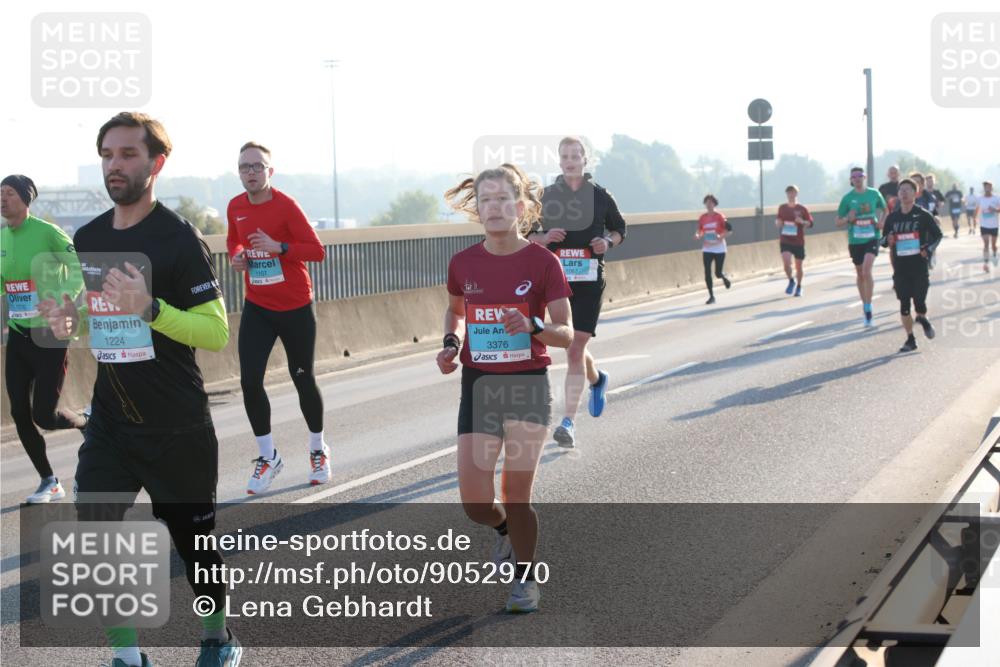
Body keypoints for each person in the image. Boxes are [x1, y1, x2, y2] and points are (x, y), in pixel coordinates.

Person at [39, 112, 240, 667]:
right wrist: (68, 320)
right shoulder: (90, 236)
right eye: (107, 154)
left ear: (157, 162)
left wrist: (151, 308)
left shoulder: (178, 239)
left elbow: (216, 331)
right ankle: (128, 658)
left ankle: (218, 636)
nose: (115, 165)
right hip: (111, 423)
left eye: (128, 154)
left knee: (195, 549)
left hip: (176, 425)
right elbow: (96, 310)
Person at [440, 163, 573, 613]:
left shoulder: (543, 262)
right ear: (476, 208)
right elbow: (456, 311)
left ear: (519, 206)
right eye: (485, 200)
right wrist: (450, 343)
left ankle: (525, 580)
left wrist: (534, 325)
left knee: (517, 494)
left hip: (527, 385)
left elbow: (566, 333)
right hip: (478, 385)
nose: (493, 207)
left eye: (502, 199)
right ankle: (502, 535)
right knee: (476, 503)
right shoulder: (463, 263)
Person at [226, 142, 329, 494]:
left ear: (270, 171)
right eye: (244, 167)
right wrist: (238, 256)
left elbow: (317, 251)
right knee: (250, 381)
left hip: (296, 306)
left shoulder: (286, 206)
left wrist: (281, 247)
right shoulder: (235, 206)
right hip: (258, 305)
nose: (250, 172)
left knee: (302, 377)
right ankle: (268, 457)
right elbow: (233, 243)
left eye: (257, 166)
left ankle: (318, 449)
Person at [527, 137, 626, 448]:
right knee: (573, 348)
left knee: (573, 349)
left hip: (589, 282)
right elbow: (526, 232)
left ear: (586, 160)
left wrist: (607, 243)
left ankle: (567, 422)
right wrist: (543, 238)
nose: (570, 160)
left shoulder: (600, 196)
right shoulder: (546, 196)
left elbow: (620, 229)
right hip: (555, 282)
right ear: (559, 162)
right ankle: (598, 379)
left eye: (575, 155)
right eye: (564, 156)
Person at [1, 174, 87, 504]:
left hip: (50, 334)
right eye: (0, 193)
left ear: (26, 198)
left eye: (9, 193)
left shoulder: (48, 232)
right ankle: (49, 480)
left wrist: (64, 298)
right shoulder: (2, 237)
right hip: (20, 335)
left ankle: (86, 422)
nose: (2, 198)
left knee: (44, 416)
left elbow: (78, 267)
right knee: (20, 412)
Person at [881, 178, 942, 353]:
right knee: (904, 305)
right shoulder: (893, 217)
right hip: (900, 268)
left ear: (915, 194)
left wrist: (928, 249)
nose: (904, 193)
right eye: (901, 190)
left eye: (908, 189)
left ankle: (923, 319)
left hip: (919, 266)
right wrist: (888, 239)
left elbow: (937, 236)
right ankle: (910, 339)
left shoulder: (923, 215)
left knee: (919, 302)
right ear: (898, 195)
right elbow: (883, 241)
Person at [836, 167, 887, 327]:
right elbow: (838, 221)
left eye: (860, 176)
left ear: (864, 177)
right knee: (860, 274)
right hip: (855, 240)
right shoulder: (847, 199)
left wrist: (882, 222)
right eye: (854, 177)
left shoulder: (874, 194)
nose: (857, 179)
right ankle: (864, 302)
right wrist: (847, 219)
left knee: (866, 270)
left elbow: (885, 209)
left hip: (872, 237)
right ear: (851, 180)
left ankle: (868, 307)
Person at [775, 184, 813, 297]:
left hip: (798, 241)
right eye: (789, 192)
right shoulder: (782, 208)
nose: (791, 194)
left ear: (796, 194)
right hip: (785, 239)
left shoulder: (802, 209)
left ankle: (799, 286)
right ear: (786, 194)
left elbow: (810, 223)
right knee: (786, 263)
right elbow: (778, 220)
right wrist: (778, 223)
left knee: (798, 266)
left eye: (793, 192)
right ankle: (791, 280)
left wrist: (802, 222)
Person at [695, 194, 731, 305]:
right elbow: (700, 230)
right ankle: (711, 296)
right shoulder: (702, 218)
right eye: (706, 202)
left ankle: (723, 277)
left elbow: (729, 230)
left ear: (714, 204)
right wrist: (698, 235)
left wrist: (720, 236)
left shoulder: (720, 217)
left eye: (710, 202)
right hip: (707, 248)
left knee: (718, 273)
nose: (708, 204)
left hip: (719, 248)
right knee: (707, 272)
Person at [978, 180, 999, 272]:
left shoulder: (996, 198)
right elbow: (977, 209)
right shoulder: (980, 199)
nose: (988, 188)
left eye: (989, 187)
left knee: (993, 245)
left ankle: (994, 253)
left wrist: (995, 209)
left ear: (992, 188)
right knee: (986, 243)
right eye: (986, 187)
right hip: (984, 225)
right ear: (984, 188)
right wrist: (974, 219)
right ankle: (986, 263)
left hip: (994, 225)